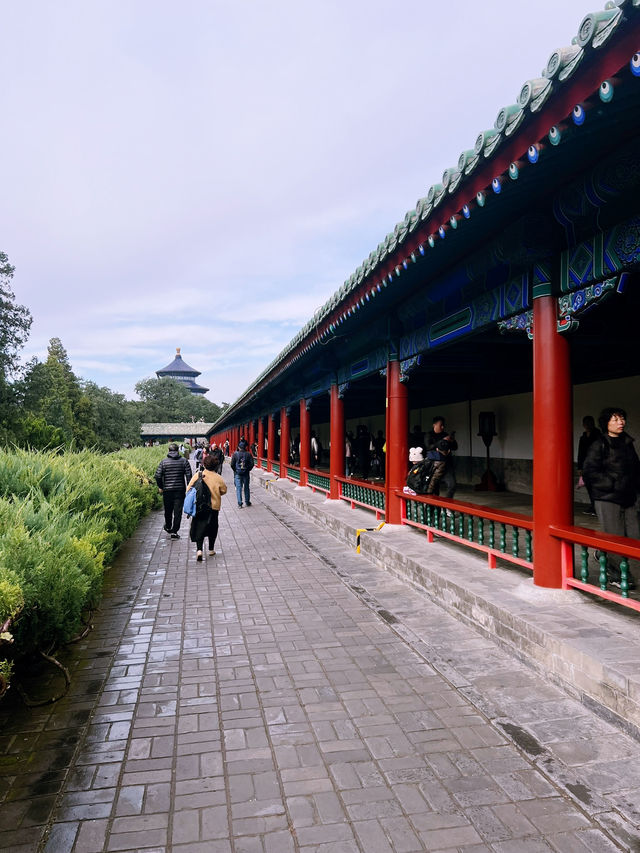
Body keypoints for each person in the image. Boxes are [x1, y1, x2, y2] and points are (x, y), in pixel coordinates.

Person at [583, 407, 640, 589]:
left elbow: (635, 468)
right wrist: (612, 484)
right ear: (606, 424)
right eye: (615, 420)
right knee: (614, 536)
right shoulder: (599, 444)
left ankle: (602, 552)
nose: (620, 422)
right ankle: (618, 575)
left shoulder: (627, 442)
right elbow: (590, 471)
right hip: (607, 497)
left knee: (634, 536)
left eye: (621, 419)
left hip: (628, 496)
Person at [186, 454, 227, 561]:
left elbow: (189, 489)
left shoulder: (198, 475)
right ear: (216, 466)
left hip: (199, 506)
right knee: (213, 527)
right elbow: (224, 490)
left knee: (199, 527)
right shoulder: (218, 478)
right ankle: (211, 549)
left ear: (204, 464)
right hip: (213, 507)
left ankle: (199, 550)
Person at [155, 442, 193, 539]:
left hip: (167, 491)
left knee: (168, 510)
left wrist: (161, 487)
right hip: (180, 490)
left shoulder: (164, 462)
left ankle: (168, 526)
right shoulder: (184, 461)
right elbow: (189, 476)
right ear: (177, 450)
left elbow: (158, 476)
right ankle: (174, 532)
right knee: (178, 512)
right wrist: (189, 488)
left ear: (169, 451)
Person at [426, 416, 458, 498]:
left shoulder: (446, 434)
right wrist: (441, 441)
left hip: (446, 464)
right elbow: (428, 446)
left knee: (452, 484)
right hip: (434, 465)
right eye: (441, 425)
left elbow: (455, 447)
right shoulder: (429, 435)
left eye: (443, 425)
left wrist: (452, 440)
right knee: (434, 489)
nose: (442, 427)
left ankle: (448, 505)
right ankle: (433, 508)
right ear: (434, 425)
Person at [577, 415, 601, 515]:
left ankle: (598, 508)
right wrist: (579, 467)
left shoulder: (598, 435)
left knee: (597, 487)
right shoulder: (583, 437)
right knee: (590, 487)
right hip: (586, 465)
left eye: (589, 423)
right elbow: (580, 453)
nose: (587, 425)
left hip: (596, 464)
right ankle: (593, 506)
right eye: (585, 423)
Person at [230, 438, 254, 507]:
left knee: (238, 488)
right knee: (246, 487)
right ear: (245, 447)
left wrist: (235, 470)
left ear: (238, 447)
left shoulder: (235, 454)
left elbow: (232, 464)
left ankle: (240, 503)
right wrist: (248, 469)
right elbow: (252, 464)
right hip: (246, 473)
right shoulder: (248, 454)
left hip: (238, 473)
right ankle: (247, 501)